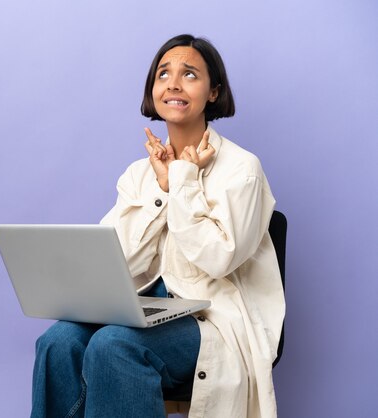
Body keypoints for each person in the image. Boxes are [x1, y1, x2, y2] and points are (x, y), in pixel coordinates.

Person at [31, 34, 285, 418]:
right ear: (153, 90)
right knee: (58, 341)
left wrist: (180, 183)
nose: (173, 83)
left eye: (189, 75)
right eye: (163, 74)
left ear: (213, 92)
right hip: (144, 308)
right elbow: (119, 264)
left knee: (114, 345)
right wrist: (160, 192)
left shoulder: (241, 168)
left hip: (211, 320)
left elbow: (219, 259)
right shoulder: (137, 174)